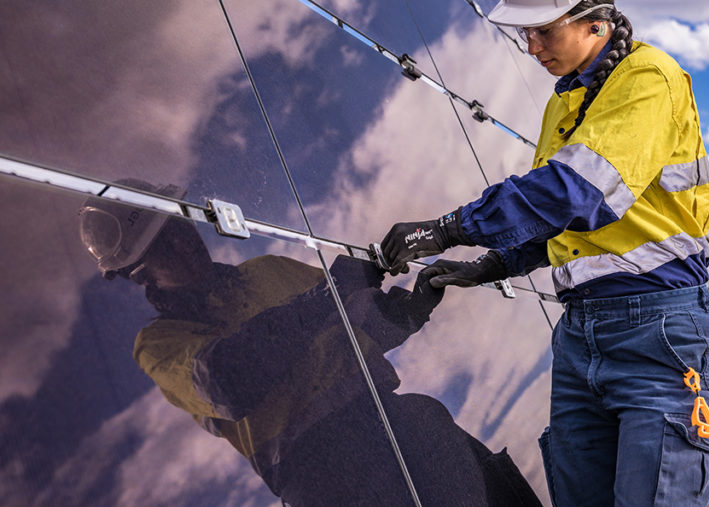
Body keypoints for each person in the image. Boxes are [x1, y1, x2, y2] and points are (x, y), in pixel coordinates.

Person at [379, 0, 709, 506]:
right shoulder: (566, 100)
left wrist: (449, 229)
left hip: (660, 335)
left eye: (543, 30)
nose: (531, 46)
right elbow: (566, 225)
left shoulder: (650, 78)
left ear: (596, 20)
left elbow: (576, 193)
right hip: (581, 337)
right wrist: (490, 265)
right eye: (526, 33)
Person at [79, 180, 541, 506]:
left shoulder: (265, 272)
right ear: (139, 275)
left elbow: (358, 328)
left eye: (179, 230)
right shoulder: (159, 344)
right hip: (327, 481)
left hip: (398, 423)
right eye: (165, 246)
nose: (185, 246)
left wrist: (409, 310)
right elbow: (228, 379)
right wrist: (330, 293)